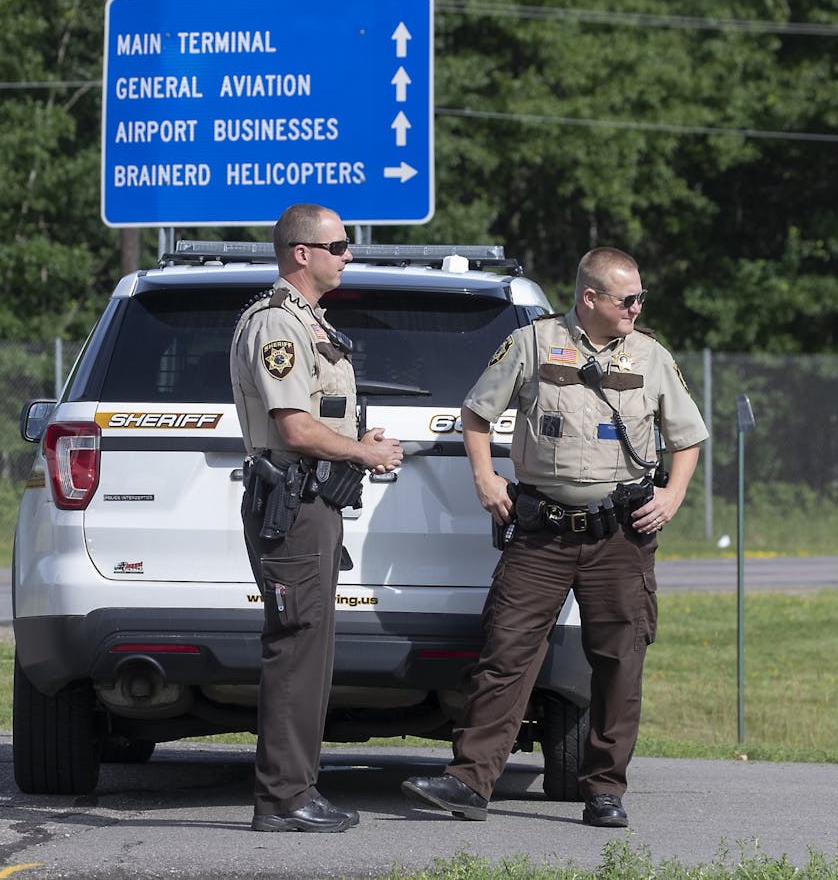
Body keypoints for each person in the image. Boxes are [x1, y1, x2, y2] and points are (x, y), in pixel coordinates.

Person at [401, 246, 708, 828]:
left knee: (620, 662)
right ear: (589, 298)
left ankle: (605, 789)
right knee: (506, 654)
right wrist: (486, 477)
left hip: (620, 533)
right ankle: (469, 783)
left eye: (641, 298)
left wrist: (671, 496)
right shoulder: (533, 342)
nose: (637, 308)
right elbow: (476, 413)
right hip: (541, 530)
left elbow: (687, 437)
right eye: (628, 299)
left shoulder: (651, 355)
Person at [230, 203, 404, 833]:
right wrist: (365, 451)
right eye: (339, 245)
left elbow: (317, 416)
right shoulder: (279, 326)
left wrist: (355, 436)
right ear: (301, 253)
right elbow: (294, 427)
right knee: (296, 651)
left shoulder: (309, 324)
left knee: (309, 650)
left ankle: (296, 789)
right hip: (294, 508)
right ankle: (282, 800)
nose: (348, 254)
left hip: (314, 506)